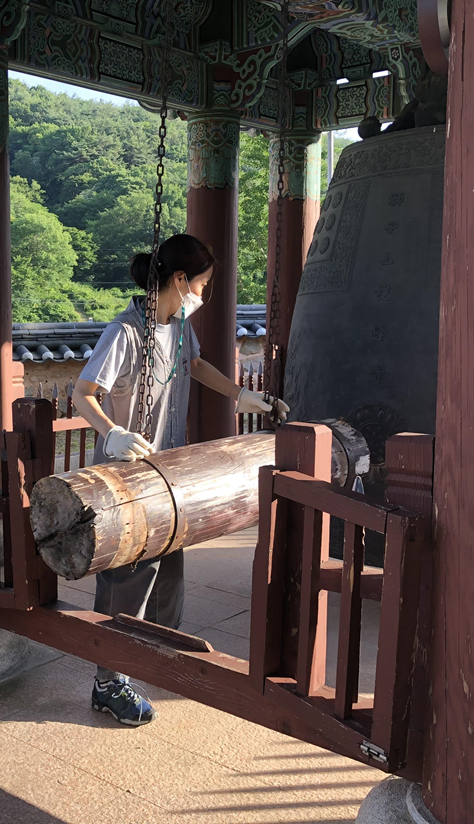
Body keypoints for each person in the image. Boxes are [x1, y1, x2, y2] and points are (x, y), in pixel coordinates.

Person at [73, 234, 289, 726]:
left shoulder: (178, 327)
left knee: (169, 571)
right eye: (203, 285)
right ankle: (108, 682)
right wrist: (112, 434)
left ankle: (158, 657)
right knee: (127, 579)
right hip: (128, 479)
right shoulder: (125, 332)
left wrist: (240, 395)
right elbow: (84, 391)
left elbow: (194, 364)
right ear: (179, 280)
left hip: (167, 472)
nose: (203, 294)